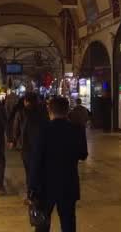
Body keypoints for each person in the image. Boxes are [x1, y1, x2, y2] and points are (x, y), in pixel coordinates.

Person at [29, 97, 88, 232]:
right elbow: (83, 154)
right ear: (67, 110)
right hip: (68, 184)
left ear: (49, 110)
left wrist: (32, 187)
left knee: (42, 224)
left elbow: (36, 161)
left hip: (45, 186)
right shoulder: (76, 129)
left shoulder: (43, 130)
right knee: (68, 224)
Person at [11, 92, 47, 190]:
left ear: (25, 101)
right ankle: (39, 190)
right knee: (39, 169)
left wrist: (14, 141)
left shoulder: (21, 113)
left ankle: (31, 193)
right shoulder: (43, 112)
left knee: (28, 170)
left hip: (26, 147)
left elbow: (16, 129)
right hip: (41, 146)